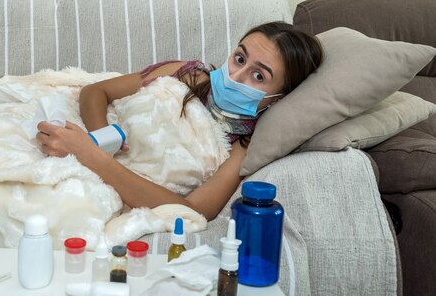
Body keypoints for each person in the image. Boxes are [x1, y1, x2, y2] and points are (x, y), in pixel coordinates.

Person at [36, 22, 323, 221]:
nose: (235, 76)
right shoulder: (184, 73)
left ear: (278, 98)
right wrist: (104, 138)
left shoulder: (244, 147)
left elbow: (191, 210)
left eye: (258, 76)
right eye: (239, 58)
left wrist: (91, 155)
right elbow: (95, 91)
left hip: (96, 167)